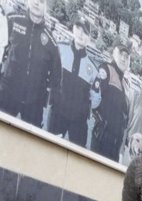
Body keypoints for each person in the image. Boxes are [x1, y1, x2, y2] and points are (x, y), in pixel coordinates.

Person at [0, 0, 61, 127]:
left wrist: (45, 99)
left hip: (34, 104)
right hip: (7, 94)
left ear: (46, 7)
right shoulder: (12, 20)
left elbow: (56, 77)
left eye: (41, 1)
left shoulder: (51, 42)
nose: (36, 3)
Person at [47, 16, 96, 146]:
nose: (81, 33)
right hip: (57, 115)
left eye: (85, 32)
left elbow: (93, 99)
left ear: (89, 38)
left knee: (77, 159)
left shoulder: (93, 69)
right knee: (49, 151)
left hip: (78, 123)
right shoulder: (60, 49)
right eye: (78, 28)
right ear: (73, 29)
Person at [90, 43, 130, 161]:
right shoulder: (106, 69)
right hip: (102, 137)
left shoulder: (125, 84)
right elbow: (94, 95)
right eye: (121, 54)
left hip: (115, 143)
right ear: (114, 54)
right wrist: (99, 122)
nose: (123, 58)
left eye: (126, 57)